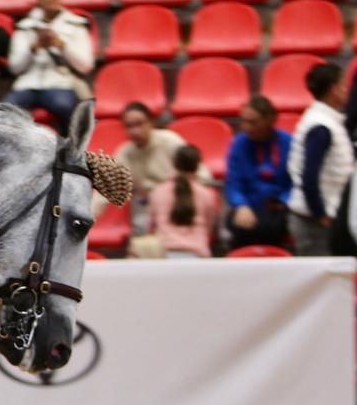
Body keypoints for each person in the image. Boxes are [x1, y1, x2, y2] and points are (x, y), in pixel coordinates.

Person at [6, 0, 93, 131]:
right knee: (6, 109)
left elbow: (86, 66)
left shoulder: (76, 25)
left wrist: (62, 46)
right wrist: (33, 48)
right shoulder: (25, 27)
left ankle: (71, 150)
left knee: (63, 105)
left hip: (60, 82)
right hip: (28, 83)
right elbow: (14, 68)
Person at [287, 62, 353, 257]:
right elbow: (309, 176)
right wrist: (320, 213)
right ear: (334, 90)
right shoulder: (321, 127)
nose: (346, 91)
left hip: (323, 216)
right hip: (313, 223)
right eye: (343, 86)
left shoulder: (328, 122)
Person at [224, 95, 293, 248]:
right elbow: (233, 184)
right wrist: (241, 205)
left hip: (277, 208)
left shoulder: (287, 142)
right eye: (244, 121)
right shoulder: (238, 143)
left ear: (269, 121)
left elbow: (296, 182)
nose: (246, 127)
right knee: (239, 225)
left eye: (252, 122)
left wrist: (283, 201)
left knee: (271, 226)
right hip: (249, 206)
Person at [141, 146, 217, 259]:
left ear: (174, 164)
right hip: (198, 255)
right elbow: (209, 228)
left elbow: (150, 227)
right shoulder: (207, 194)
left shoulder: (158, 192)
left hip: (163, 254)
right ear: (197, 166)